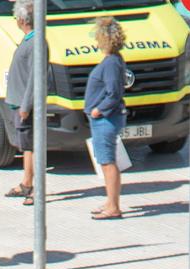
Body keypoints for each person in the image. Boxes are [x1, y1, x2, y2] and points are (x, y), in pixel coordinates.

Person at [83, 17, 127, 220]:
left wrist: (98, 110)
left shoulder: (110, 63)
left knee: (108, 162)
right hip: (105, 119)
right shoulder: (115, 60)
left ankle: (114, 206)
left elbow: (113, 93)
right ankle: (110, 201)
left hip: (105, 120)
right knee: (105, 161)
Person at [2, 2, 45, 204]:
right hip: (20, 104)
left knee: (33, 147)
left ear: (22, 20)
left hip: (26, 106)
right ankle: (27, 183)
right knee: (28, 146)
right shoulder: (30, 40)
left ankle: (35, 188)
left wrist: (26, 106)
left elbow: (35, 79)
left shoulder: (36, 43)